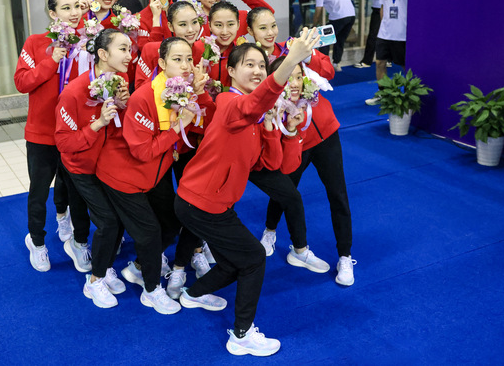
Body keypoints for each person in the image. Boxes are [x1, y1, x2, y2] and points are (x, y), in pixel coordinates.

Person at [174, 29, 320, 357]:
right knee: (254, 258)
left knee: (233, 261)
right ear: (231, 71)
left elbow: (273, 165)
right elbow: (254, 103)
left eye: (262, 66)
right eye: (249, 65)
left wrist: (279, 129)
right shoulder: (229, 102)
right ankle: (241, 335)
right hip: (201, 203)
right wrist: (291, 62)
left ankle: (193, 295)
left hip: (212, 203)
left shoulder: (255, 117)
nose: (257, 71)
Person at [94, 38, 212, 315]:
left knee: (172, 221)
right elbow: (142, 151)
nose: (185, 65)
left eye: (189, 59)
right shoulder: (144, 97)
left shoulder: (183, 92)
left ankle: (137, 268)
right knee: (148, 233)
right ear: (161, 63)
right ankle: (151, 290)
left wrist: (199, 96)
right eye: (177, 59)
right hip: (123, 176)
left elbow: (203, 125)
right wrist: (178, 127)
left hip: (153, 175)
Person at [257, 56, 356, 286]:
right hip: (295, 142)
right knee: (284, 191)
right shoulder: (275, 104)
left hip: (326, 136)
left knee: (338, 194)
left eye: (298, 77)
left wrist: (309, 54)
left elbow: (329, 70)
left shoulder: (299, 55)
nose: (294, 83)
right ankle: (270, 231)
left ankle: (345, 256)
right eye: (288, 78)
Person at [14, 0, 91, 273]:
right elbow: (22, 82)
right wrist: (52, 60)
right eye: (65, 8)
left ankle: (78, 240)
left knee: (76, 191)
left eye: (76, 7)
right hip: (42, 134)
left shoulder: (86, 44)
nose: (73, 13)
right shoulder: (36, 43)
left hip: (74, 134)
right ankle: (36, 241)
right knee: (38, 192)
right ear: (52, 13)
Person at [54, 28, 132, 308]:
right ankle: (94, 281)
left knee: (119, 218)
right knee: (108, 221)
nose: (129, 55)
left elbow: (120, 127)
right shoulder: (74, 92)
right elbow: (63, 143)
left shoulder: (120, 81)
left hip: (109, 164)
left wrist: (124, 106)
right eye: (122, 49)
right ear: (102, 54)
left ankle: (105, 265)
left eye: (130, 49)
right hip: (81, 167)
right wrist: (97, 124)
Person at [365, 0, 409, 106]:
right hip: (385, 32)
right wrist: (383, 25)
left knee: (405, 65)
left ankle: (409, 95)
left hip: (403, 33)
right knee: (379, 63)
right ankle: (383, 94)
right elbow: (383, 6)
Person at [312, 0, 356, 72]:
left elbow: (318, 12)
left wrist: (314, 25)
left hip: (338, 18)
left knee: (324, 39)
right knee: (340, 40)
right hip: (351, 16)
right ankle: (337, 63)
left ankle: (323, 65)